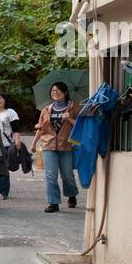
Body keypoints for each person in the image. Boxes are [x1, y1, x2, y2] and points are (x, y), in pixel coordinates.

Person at [35, 81, 80, 213]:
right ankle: (53, 203)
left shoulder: (74, 107)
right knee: (50, 175)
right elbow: (40, 127)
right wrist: (33, 143)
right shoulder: (46, 109)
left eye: (58, 90)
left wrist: (70, 119)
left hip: (66, 145)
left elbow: (82, 125)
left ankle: (71, 194)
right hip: (49, 145)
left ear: (65, 92)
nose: (55, 93)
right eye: (53, 91)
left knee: (67, 175)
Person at [0, 91, 21, 201]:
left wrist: (17, 142)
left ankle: (3, 191)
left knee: (2, 169)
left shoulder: (10, 112)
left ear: (5, 100)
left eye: (0, 98)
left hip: (6, 145)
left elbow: (16, 128)